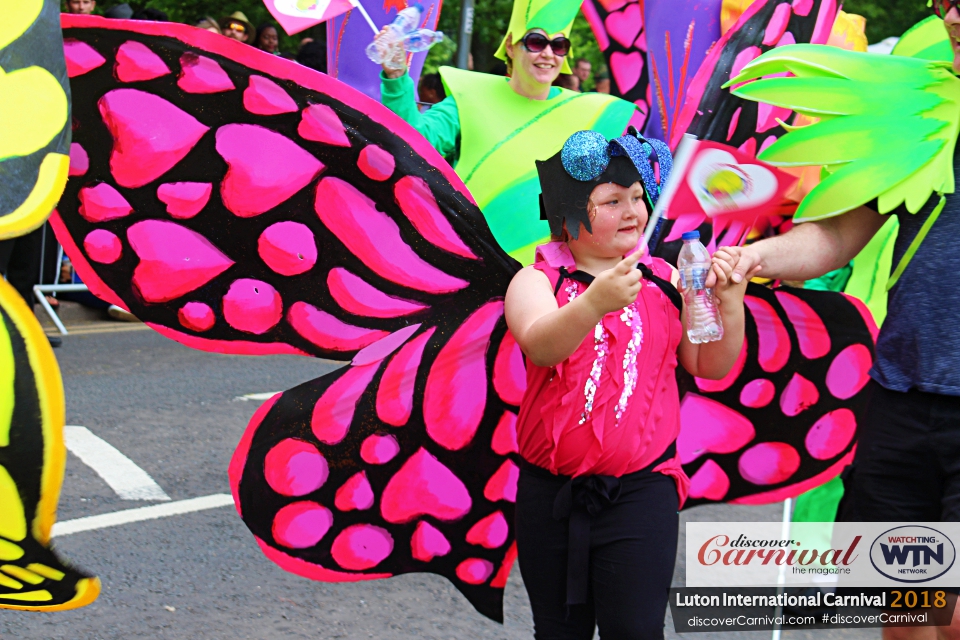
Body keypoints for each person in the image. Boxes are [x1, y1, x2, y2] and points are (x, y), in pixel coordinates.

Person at [715, 4, 960, 639]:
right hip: (903, 396)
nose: (954, 16)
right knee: (906, 614)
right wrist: (754, 257)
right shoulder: (916, 113)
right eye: (945, 3)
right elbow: (836, 236)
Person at [505, 130, 751, 638]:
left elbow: (708, 364)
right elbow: (541, 345)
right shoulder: (537, 281)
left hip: (642, 492)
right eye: (612, 200)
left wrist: (730, 302)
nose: (633, 210)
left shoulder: (663, 277)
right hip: (550, 495)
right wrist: (594, 301)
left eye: (638, 196)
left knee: (637, 630)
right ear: (569, 210)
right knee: (557, 631)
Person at [379, 0, 638, 264]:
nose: (548, 53)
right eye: (537, 41)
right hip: (467, 263)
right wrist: (397, 76)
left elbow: (616, 195)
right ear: (512, 45)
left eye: (559, 45)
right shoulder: (471, 97)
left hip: (549, 279)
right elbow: (410, 142)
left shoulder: (591, 114)